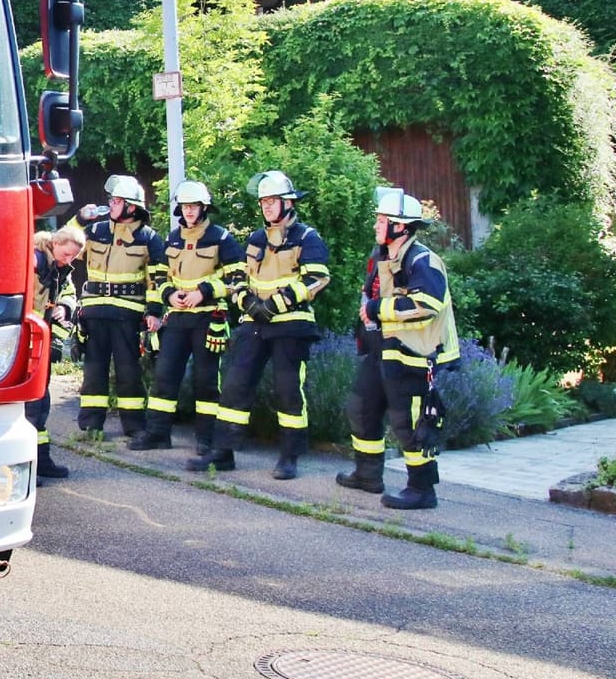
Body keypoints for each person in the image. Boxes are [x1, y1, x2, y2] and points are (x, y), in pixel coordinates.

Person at [186, 170, 330, 478]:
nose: (266, 206)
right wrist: (246, 301)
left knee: (288, 389)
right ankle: (223, 452)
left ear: (288, 204)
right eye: (263, 201)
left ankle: (289, 456)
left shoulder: (307, 237)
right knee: (235, 385)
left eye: (272, 201)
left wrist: (274, 305)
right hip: (254, 323)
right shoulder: (256, 238)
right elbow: (240, 278)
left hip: (291, 324)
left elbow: (317, 278)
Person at [338, 187, 459, 509]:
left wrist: (379, 309)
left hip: (414, 353)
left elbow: (427, 304)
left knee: (408, 423)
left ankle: (422, 490)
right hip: (382, 349)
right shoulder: (383, 256)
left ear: (401, 227)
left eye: (382, 220)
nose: (376, 225)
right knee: (361, 407)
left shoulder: (422, 260)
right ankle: (367, 475)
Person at [131, 181, 246, 452]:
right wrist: (169, 295)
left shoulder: (220, 237)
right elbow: (159, 276)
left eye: (194, 206)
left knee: (205, 381)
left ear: (204, 207)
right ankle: (158, 433)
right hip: (177, 318)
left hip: (208, 317)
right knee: (164, 376)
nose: (190, 211)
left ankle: (206, 440)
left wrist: (203, 292)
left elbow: (238, 278)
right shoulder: (172, 238)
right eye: (185, 206)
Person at [76, 176, 168, 438]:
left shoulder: (148, 237)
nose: (111, 205)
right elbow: (65, 243)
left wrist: (154, 312)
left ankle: (134, 425)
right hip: (94, 312)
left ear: (131, 206)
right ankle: (91, 425)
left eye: (116, 201)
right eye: (111, 200)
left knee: (129, 370)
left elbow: (157, 278)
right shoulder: (95, 231)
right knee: (94, 370)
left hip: (127, 314)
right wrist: (80, 220)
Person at [30, 224, 86, 481]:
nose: (69, 260)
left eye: (74, 256)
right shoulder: (34, 260)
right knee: (29, 406)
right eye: (67, 254)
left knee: (41, 403)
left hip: (41, 343)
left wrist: (64, 305)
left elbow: (70, 293)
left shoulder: (60, 268)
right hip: (24, 341)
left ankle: (41, 461)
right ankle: (26, 468)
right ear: (55, 243)